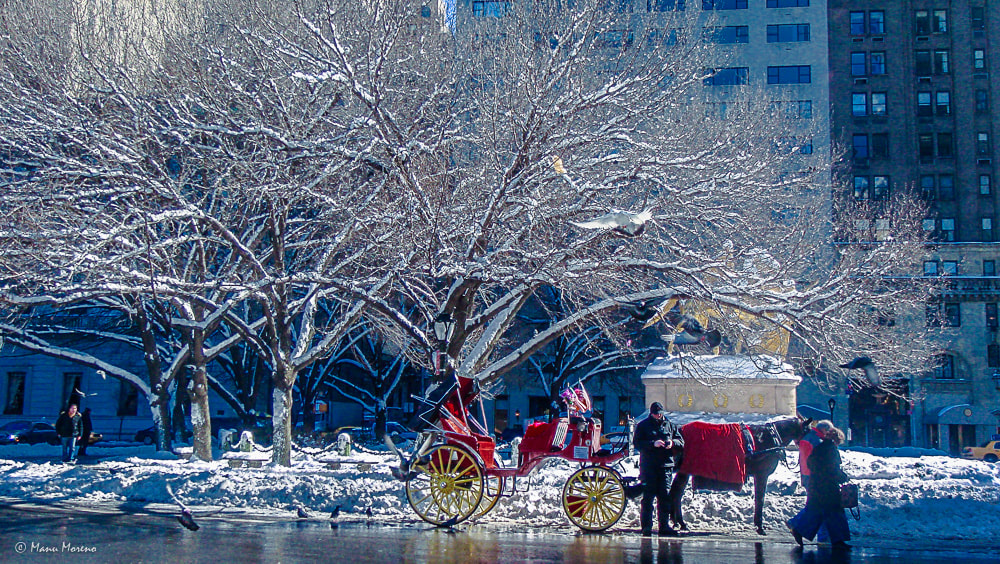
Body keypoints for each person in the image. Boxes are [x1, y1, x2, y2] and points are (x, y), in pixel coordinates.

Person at [788, 424, 852, 550]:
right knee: (835, 513)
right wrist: (843, 477)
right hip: (827, 488)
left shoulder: (820, 447)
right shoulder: (831, 450)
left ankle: (800, 530)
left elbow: (811, 463)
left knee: (818, 512)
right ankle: (838, 540)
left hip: (816, 485)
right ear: (836, 439)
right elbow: (833, 470)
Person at [633, 401, 684, 536]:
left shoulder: (671, 426)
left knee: (664, 497)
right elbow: (637, 443)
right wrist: (652, 444)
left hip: (665, 466)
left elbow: (681, 443)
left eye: (660, 413)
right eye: (656, 414)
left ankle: (664, 526)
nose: (658, 416)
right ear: (651, 413)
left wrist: (672, 443)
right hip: (649, 466)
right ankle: (646, 527)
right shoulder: (643, 425)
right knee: (648, 497)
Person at [794, 419, 832, 544]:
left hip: (806, 475)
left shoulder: (808, 437)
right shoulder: (817, 440)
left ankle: (823, 535)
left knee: (816, 504)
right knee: (818, 505)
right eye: (829, 431)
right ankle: (796, 524)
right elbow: (819, 460)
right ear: (825, 430)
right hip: (814, 477)